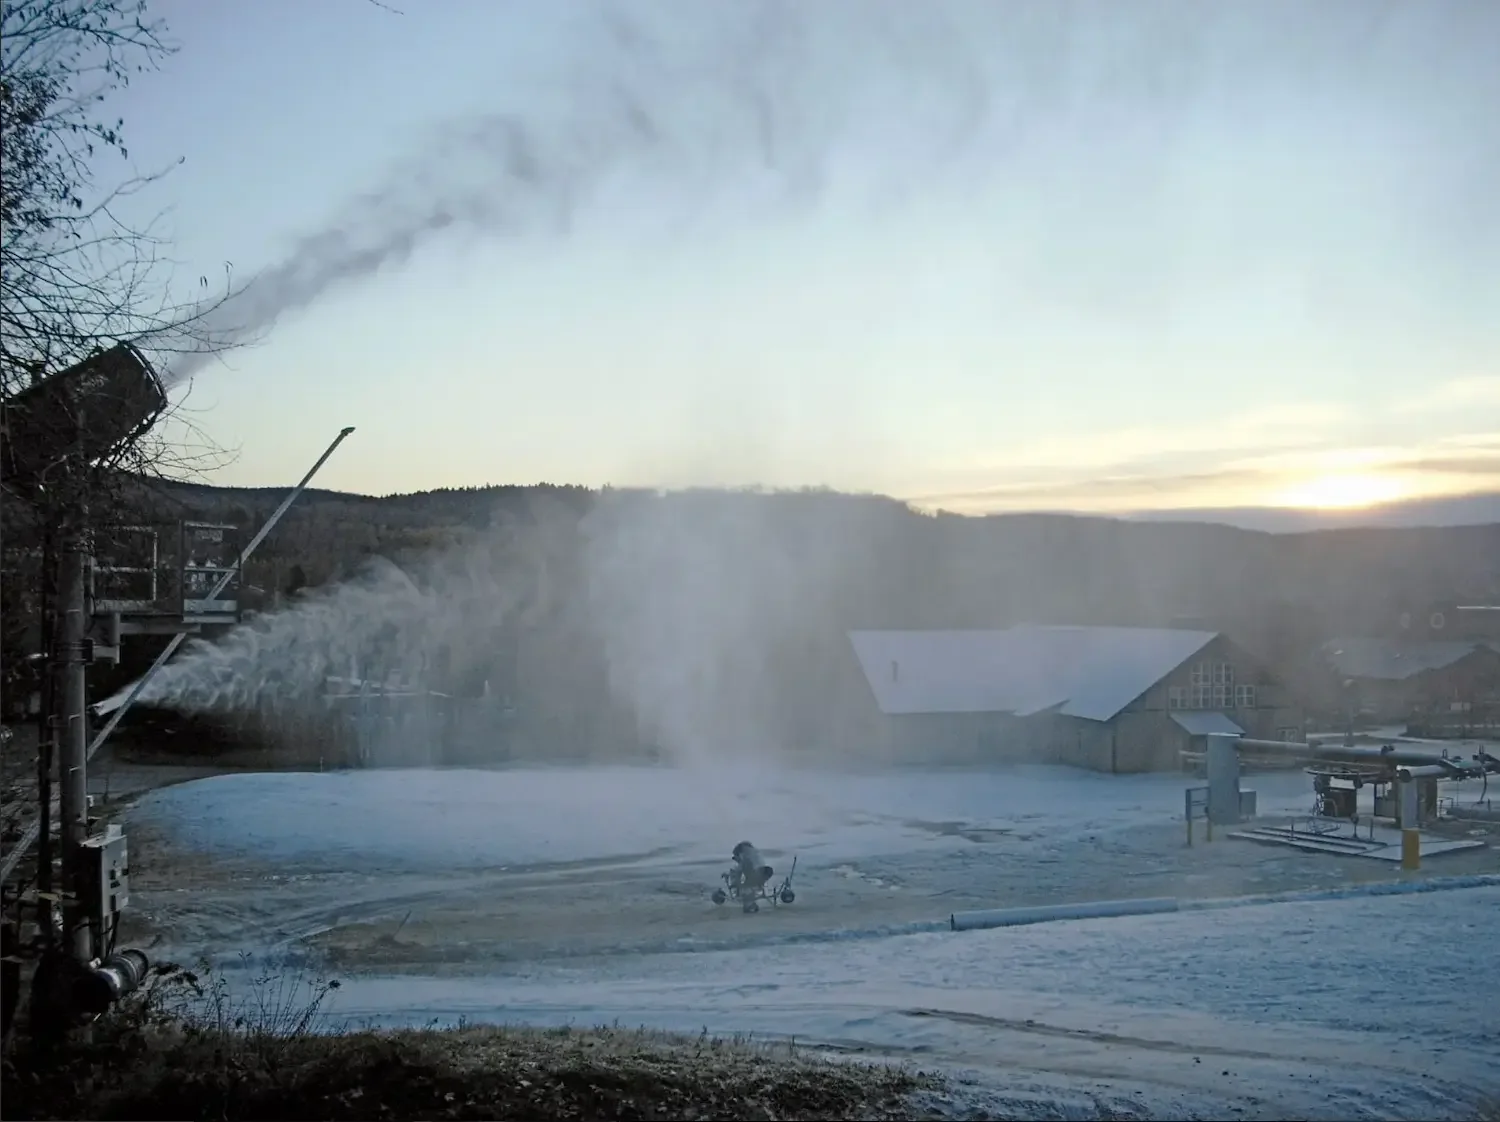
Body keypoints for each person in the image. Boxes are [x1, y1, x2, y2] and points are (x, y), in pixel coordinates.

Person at [730, 841, 773, 907]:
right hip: (761, 875)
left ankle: (740, 894)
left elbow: (740, 872)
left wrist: (734, 879)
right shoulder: (755, 856)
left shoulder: (746, 861)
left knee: (738, 877)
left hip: (751, 879)